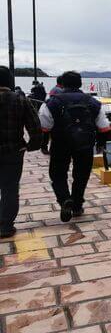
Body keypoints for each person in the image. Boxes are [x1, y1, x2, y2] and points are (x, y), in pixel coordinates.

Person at [39, 71, 111, 222]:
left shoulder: (53, 101)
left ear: (62, 84)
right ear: (80, 83)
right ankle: (77, 205)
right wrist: (101, 144)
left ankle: (65, 199)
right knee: (81, 175)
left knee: (57, 174)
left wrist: (44, 144)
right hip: (85, 144)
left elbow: (44, 126)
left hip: (60, 143)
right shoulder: (92, 101)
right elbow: (104, 127)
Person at [0, 66, 42, 238]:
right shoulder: (20, 100)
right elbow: (35, 127)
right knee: (10, 188)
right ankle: (6, 226)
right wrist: (31, 146)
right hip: (13, 152)